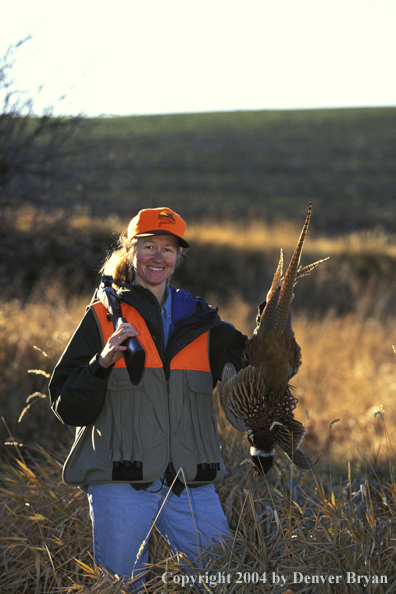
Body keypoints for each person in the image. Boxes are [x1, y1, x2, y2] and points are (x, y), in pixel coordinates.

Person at [49, 207, 248, 592]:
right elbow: (66, 404)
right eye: (150, 246)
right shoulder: (102, 317)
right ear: (130, 249)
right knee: (120, 587)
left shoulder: (203, 322)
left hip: (190, 480)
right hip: (119, 481)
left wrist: (278, 320)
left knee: (221, 581)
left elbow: (260, 365)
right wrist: (102, 362)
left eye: (169, 249)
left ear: (179, 258)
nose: (159, 256)